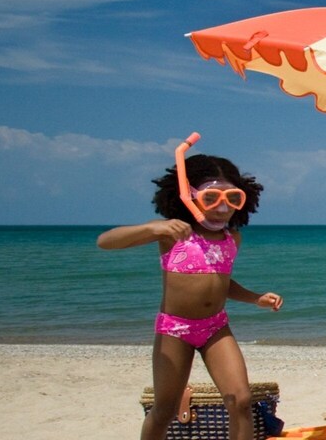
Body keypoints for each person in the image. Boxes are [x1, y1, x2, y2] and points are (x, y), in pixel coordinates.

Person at [98, 152, 282, 440]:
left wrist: (255, 298)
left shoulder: (231, 239)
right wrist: (153, 227)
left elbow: (220, 283)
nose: (223, 207)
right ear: (189, 196)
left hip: (215, 327)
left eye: (233, 198)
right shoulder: (172, 234)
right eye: (211, 198)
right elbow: (105, 242)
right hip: (175, 329)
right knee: (164, 410)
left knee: (241, 400)